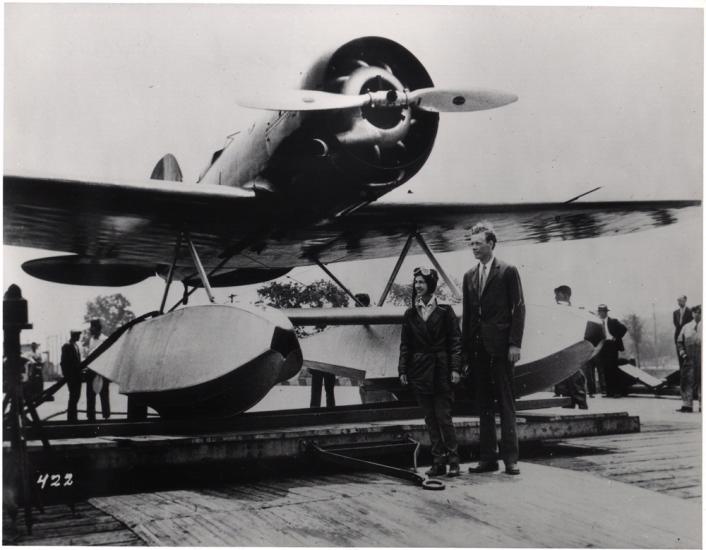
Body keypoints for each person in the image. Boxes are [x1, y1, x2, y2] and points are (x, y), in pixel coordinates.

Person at [462, 222, 525, 476]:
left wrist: (514, 343)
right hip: (478, 349)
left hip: (501, 348)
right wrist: (465, 352)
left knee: (506, 403)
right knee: (483, 404)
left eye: (478, 243)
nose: (474, 248)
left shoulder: (508, 271)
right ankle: (488, 458)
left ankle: (511, 458)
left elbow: (518, 309)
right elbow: (467, 316)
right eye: (472, 244)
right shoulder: (469, 276)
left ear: (491, 243)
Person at [399, 267, 462, 477]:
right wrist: (403, 370)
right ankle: (438, 462)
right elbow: (405, 345)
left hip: (442, 369)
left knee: (444, 416)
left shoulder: (445, 310)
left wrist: (455, 369)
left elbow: (455, 342)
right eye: (416, 282)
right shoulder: (410, 313)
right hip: (419, 370)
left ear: (431, 285)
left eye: (422, 282)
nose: (418, 286)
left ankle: (454, 461)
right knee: (429, 418)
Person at [552, 286, 588, 409]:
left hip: (571, 354)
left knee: (576, 383)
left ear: (566, 296)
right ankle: (568, 410)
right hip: (560, 353)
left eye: (558, 295)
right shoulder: (554, 312)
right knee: (564, 387)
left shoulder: (574, 312)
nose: (555, 297)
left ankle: (583, 410)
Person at [595, 305, 628, 397]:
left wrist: (616, 337)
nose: (601, 313)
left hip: (612, 346)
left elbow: (624, 329)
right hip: (602, 346)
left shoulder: (613, 321)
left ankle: (616, 391)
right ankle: (609, 392)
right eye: (600, 311)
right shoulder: (597, 323)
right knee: (605, 369)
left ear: (606, 312)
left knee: (613, 368)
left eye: (603, 311)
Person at [676, 304, 701, 413]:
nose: (698, 314)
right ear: (692, 314)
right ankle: (687, 405)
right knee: (686, 380)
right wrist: (683, 354)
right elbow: (680, 341)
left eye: (700, 312)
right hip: (689, 357)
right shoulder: (686, 327)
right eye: (695, 312)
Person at [83, 319, 110, 421]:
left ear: (97, 328)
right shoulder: (91, 340)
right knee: (90, 395)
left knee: (104, 394)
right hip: (92, 371)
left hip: (102, 371)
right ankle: (91, 416)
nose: (91, 329)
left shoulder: (105, 339)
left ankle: (106, 415)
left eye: (92, 327)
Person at [60, 330, 83, 422]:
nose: (79, 337)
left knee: (76, 396)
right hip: (71, 376)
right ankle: (71, 418)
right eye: (78, 335)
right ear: (74, 336)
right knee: (73, 396)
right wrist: (66, 375)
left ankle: (73, 417)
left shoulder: (76, 346)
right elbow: (63, 362)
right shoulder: (67, 346)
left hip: (77, 375)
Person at [673, 295, 693, 371]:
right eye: (678, 300)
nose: (679, 302)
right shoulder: (675, 313)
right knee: (680, 357)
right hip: (678, 338)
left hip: (687, 337)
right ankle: (682, 374)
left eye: (681, 300)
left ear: (685, 300)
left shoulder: (690, 312)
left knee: (688, 357)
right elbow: (676, 325)